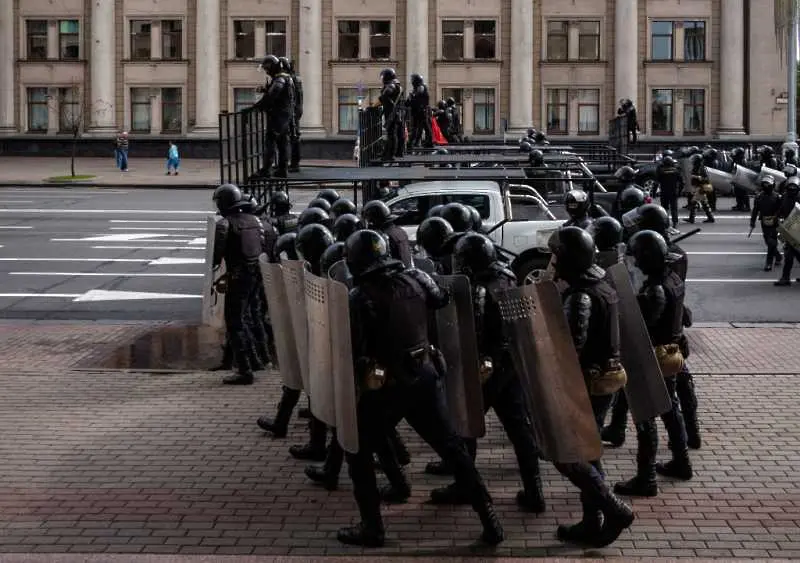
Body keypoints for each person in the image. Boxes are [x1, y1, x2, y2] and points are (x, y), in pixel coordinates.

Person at [339, 229, 504, 547]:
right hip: (425, 375)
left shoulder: (360, 296)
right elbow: (442, 299)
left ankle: (372, 528)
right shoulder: (416, 278)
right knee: (453, 450)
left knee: (358, 451)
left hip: (387, 383)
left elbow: (356, 346)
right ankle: (490, 521)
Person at [426, 233, 546, 513]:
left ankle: (466, 487)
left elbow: (473, 331)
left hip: (486, 366)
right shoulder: (506, 275)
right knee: (519, 429)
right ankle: (534, 491)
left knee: (463, 425)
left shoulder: (478, 289)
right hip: (510, 362)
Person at [549, 226, 635, 546]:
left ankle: (614, 510)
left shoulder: (581, 295)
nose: (553, 262)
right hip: (605, 379)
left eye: (557, 255)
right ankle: (591, 520)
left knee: (568, 455)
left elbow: (571, 347)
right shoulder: (603, 284)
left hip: (587, 382)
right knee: (590, 449)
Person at [613, 230, 693, 497]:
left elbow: (643, 326)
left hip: (655, 356)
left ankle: (646, 477)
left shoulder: (655, 289)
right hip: (672, 353)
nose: (634, 263)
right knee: (671, 409)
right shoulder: (673, 278)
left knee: (645, 416)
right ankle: (681, 461)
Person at [211, 183, 265, 385]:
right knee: (247, 318)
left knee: (235, 322)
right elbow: (263, 247)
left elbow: (215, 257)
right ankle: (253, 360)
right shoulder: (255, 220)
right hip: (256, 275)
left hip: (238, 277)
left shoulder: (225, 224)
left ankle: (244, 369)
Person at [253, 55, 294, 178]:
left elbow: (273, 95)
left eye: (267, 69)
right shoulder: (287, 78)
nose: (266, 72)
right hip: (285, 116)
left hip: (278, 116)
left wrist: (259, 106)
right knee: (283, 143)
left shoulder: (280, 79)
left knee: (271, 142)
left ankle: (266, 170)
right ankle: (283, 169)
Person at [361, 200, 413, 267]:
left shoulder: (382, 236)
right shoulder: (399, 231)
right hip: (406, 270)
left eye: (367, 219)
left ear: (373, 220)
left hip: (395, 273)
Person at [751, 176, 783, 272]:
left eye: (768, 183)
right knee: (768, 241)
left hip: (775, 222)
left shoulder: (777, 197)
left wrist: (778, 216)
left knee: (771, 242)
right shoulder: (759, 197)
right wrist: (752, 221)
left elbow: (781, 210)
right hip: (765, 222)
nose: (766, 185)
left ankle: (768, 263)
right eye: (764, 183)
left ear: (772, 185)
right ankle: (777, 256)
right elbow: (755, 210)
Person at [278, 57, 303, 173]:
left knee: (291, 138)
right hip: (294, 111)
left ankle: (292, 164)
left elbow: (292, 98)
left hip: (291, 112)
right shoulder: (294, 79)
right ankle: (292, 163)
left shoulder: (288, 80)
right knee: (294, 137)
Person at [775, 177, 800, 286]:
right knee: (789, 255)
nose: (791, 190)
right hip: (788, 229)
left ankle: (785, 278)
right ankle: (785, 278)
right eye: (790, 188)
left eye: (794, 188)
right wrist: (778, 218)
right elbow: (780, 210)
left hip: (798, 229)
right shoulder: (784, 197)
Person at [379, 68, 405, 160]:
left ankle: (390, 155)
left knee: (391, 134)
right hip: (397, 112)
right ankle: (398, 152)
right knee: (397, 133)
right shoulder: (397, 85)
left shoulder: (391, 85)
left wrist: (382, 98)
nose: (382, 79)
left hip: (392, 113)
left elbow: (386, 95)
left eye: (383, 76)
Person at [684, 154, 714, 224]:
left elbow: (705, 178)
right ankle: (710, 217)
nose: (692, 161)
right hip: (700, 187)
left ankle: (691, 218)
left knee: (693, 202)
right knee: (704, 202)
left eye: (694, 159)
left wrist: (695, 177)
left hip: (701, 187)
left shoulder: (701, 168)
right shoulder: (698, 167)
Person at [655, 155, 682, 233]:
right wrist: (679, 191)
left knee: (664, 209)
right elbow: (681, 182)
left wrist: (653, 192)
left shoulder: (661, 171)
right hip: (673, 192)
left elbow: (657, 182)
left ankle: (665, 223)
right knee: (674, 208)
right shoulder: (676, 171)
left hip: (664, 192)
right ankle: (675, 222)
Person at [407, 74, 433, 148]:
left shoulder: (421, 87)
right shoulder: (417, 88)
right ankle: (414, 142)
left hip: (421, 111)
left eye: (413, 79)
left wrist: (411, 98)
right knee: (419, 127)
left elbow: (416, 99)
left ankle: (429, 142)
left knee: (424, 127)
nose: (412, 81)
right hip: (417, 111)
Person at [730, 147, 751, 212]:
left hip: (742, 179)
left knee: (744, 193)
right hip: (737, 178)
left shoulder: (742, 160)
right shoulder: (737, 159)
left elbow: (743, 170)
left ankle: (747, 207)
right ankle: (739, 205)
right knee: (737, 192)